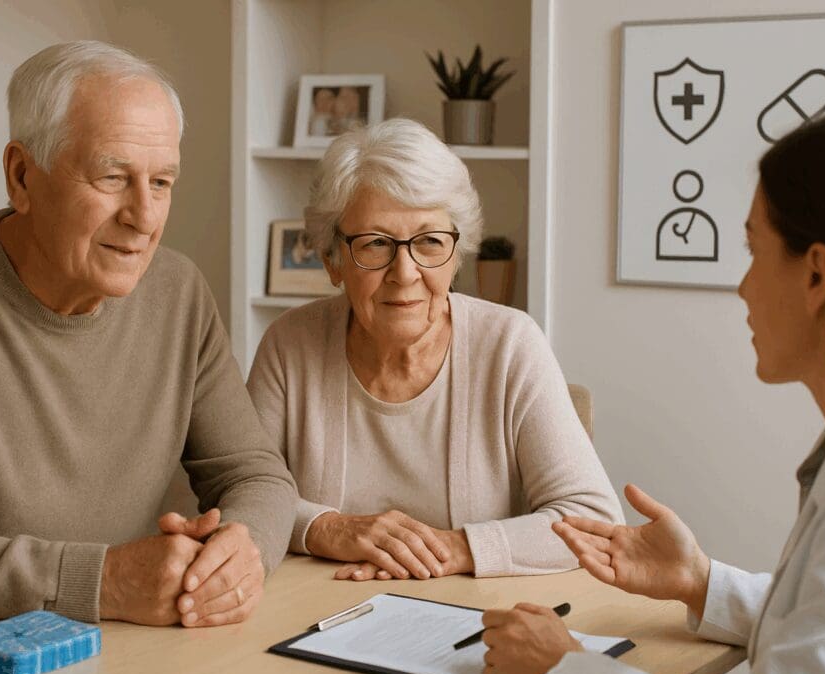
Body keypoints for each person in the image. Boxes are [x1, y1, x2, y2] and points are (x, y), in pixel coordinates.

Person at [481, 107, 825, 674]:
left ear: (816, 275)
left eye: (755, 250)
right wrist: (700, 581)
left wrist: (565, 669)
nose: (743, 286)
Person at [0, 41, 297, 628]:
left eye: (161, 182)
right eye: (113, 177)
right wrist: (101, 581)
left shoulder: (178, 290)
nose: (145, 216)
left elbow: (255, 474)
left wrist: (240, 551)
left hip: (136, 646)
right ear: (22, 176)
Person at [247, 118, 623, 583]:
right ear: (332, 259)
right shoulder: (289, 346)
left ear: (456, 254)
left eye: (429, 242)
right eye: (376, 244)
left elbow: (594, 520)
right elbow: (241, 492)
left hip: (471, 626)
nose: (404, 272)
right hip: (307, 620)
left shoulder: (509, 344)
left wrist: (455, 548)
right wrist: (328, 528)